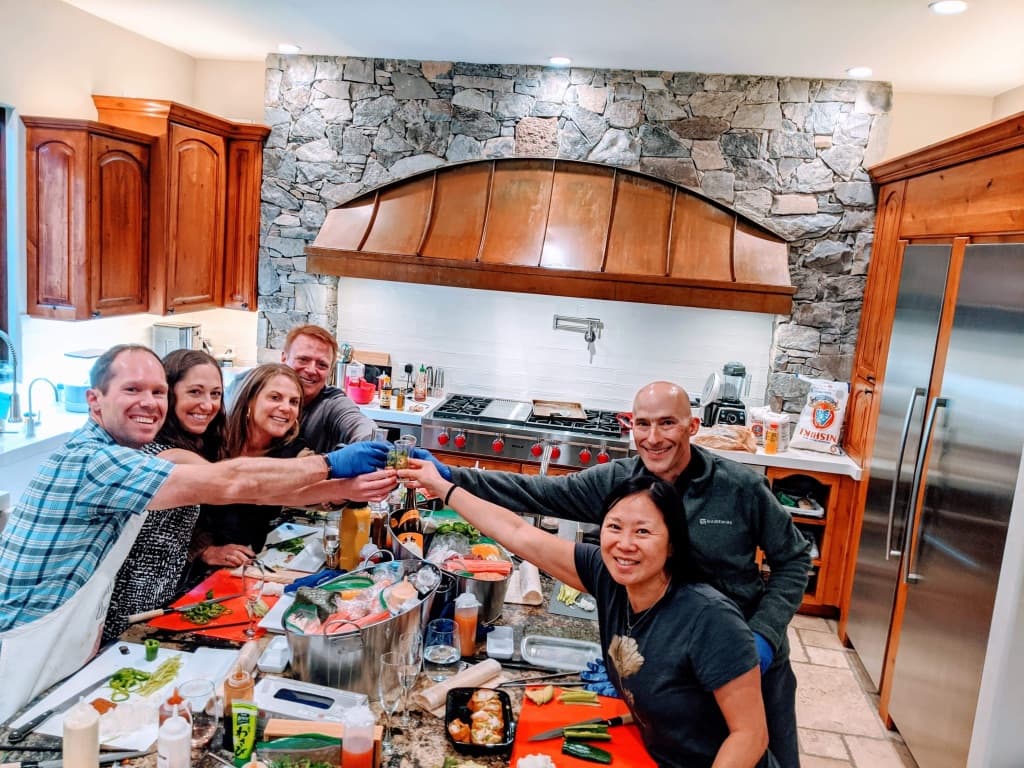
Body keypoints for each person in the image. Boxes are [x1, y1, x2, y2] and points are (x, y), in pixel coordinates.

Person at [414, 381, 810, 767]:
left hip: (740, 657)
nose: (654, 437)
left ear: (692, 427)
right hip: (665, 660)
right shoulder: (618, 486)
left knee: (760, 750)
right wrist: (451, 480)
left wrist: (763, 635)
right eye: (643, 424)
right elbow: (528, 510)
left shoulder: (740, 487)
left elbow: (794, 559)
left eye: (668, 423)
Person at [0, 344, 394, 720]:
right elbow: (236, 484)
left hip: (83, 623)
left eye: (156, 392)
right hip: (29, 637)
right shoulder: (100, 460)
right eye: (132, 390)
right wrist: (331, 466)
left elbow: (255, 492)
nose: (150, 402)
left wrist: (345, 487)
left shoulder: (131, 450)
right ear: (94, 399)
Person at [102, 349, 228, 642]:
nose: (208, 404)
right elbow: (238, 484)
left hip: (160, 606)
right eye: (195, 392)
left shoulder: (195, 443)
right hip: (127, 615)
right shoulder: (164, 455)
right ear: (169, 395)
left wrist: (200, 550)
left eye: (216, 394)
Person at [187, 364, 315, 582]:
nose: (286, 408)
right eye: (275, 397)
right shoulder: (209, 438)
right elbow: (174, 511)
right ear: (250, 399)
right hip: (186, 569)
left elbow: (318, 482)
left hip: (241, 566)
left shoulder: (294, 453)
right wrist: (204, 550)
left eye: (294, 402)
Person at [280, 324, 377, 452]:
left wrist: (375, 446)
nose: (311, 370)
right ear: (284, 358)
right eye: (303, 359)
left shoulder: (332, 403)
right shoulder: (255, 391)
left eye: (322, 365)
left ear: (330, 371)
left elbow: (359, 425)